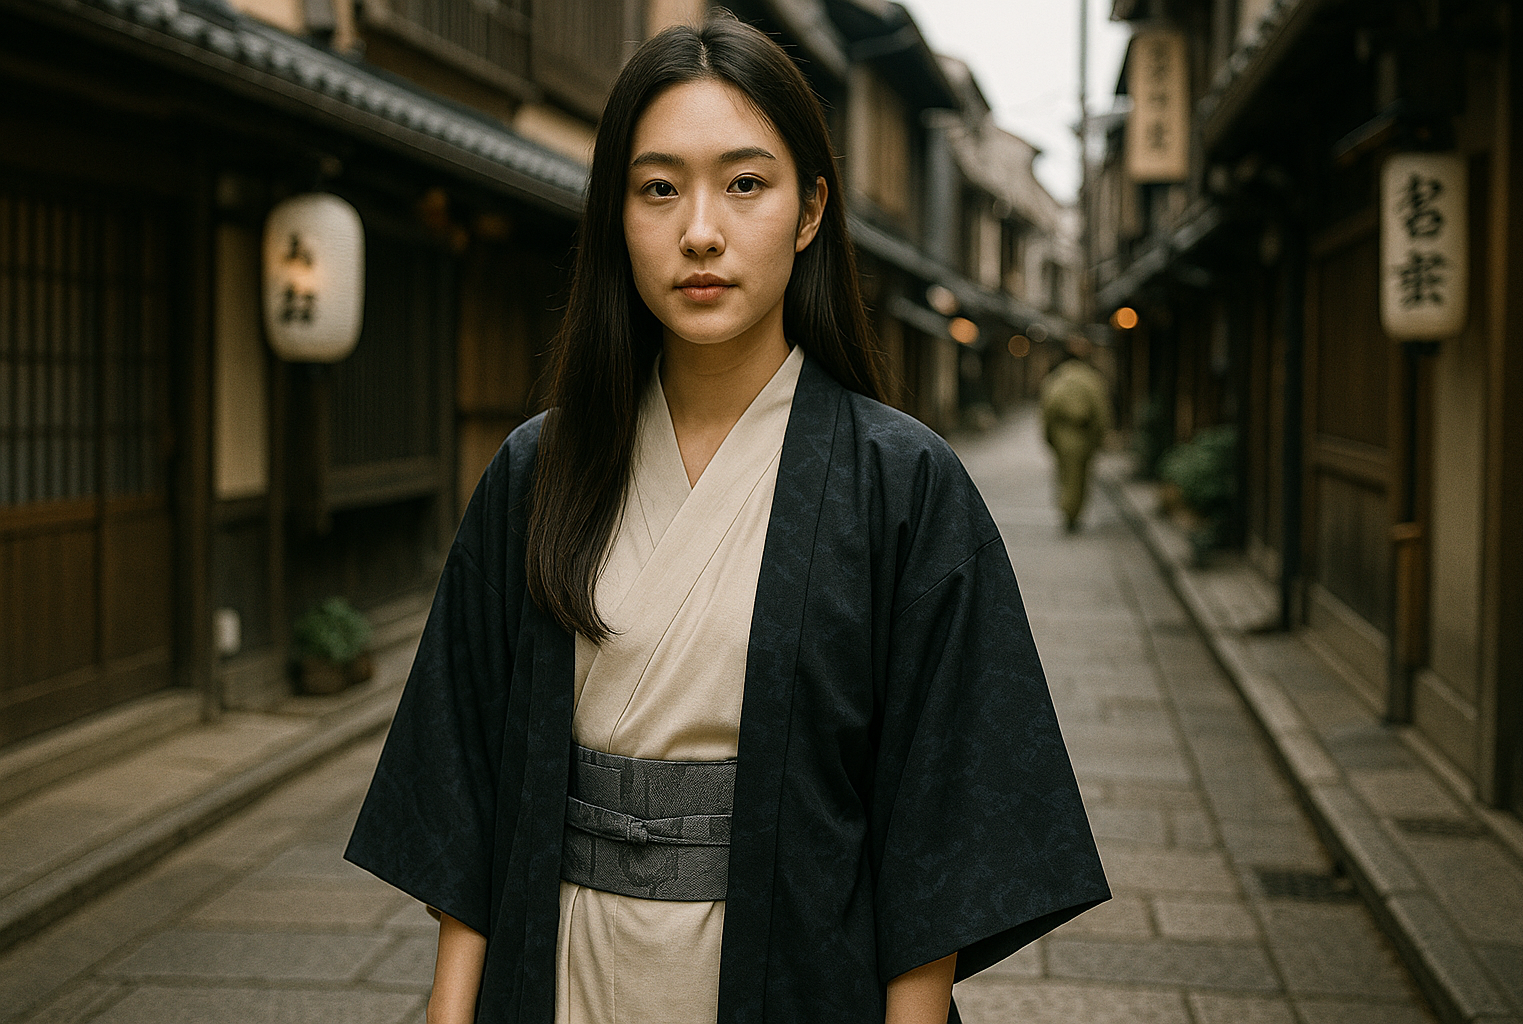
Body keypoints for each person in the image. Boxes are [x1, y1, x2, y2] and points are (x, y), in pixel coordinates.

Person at [346, 17, 1108, 1024]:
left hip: (793, 972)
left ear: (808, 211)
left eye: (745, 184)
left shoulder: (904, 485)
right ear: (618, 213)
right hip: (564, 969)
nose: (699, 229)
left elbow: (941, 823)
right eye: (658, 188)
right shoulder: (539, 469)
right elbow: (467, 787)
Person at [1040, 338, 1112, 532]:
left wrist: (1048, 437)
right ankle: (1073, 512)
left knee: (1064, 475)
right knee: (1079, 477)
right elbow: (1100, 412)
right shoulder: (1091, 379)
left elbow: (1047, 409)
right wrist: (1098, 438)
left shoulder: (1057, 378)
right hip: (1084, 435)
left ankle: (1067, 509)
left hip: (1062, 435)